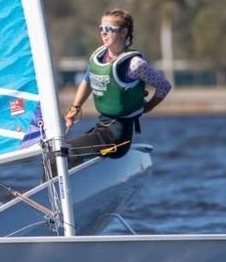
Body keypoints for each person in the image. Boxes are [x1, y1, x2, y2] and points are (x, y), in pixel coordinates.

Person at [63, 9, 171, 167]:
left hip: (118, 141)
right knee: (56, 153)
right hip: (102, 128)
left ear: (123, 32)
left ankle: (65, 189)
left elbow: (164, 86)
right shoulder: (99, 57)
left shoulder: (134, 64)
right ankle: (49, 189)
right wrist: (75, 107)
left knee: (67, 151)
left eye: (109, 29)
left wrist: (147, 107)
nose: (103, 34)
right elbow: (87, 80)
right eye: (101, 29)